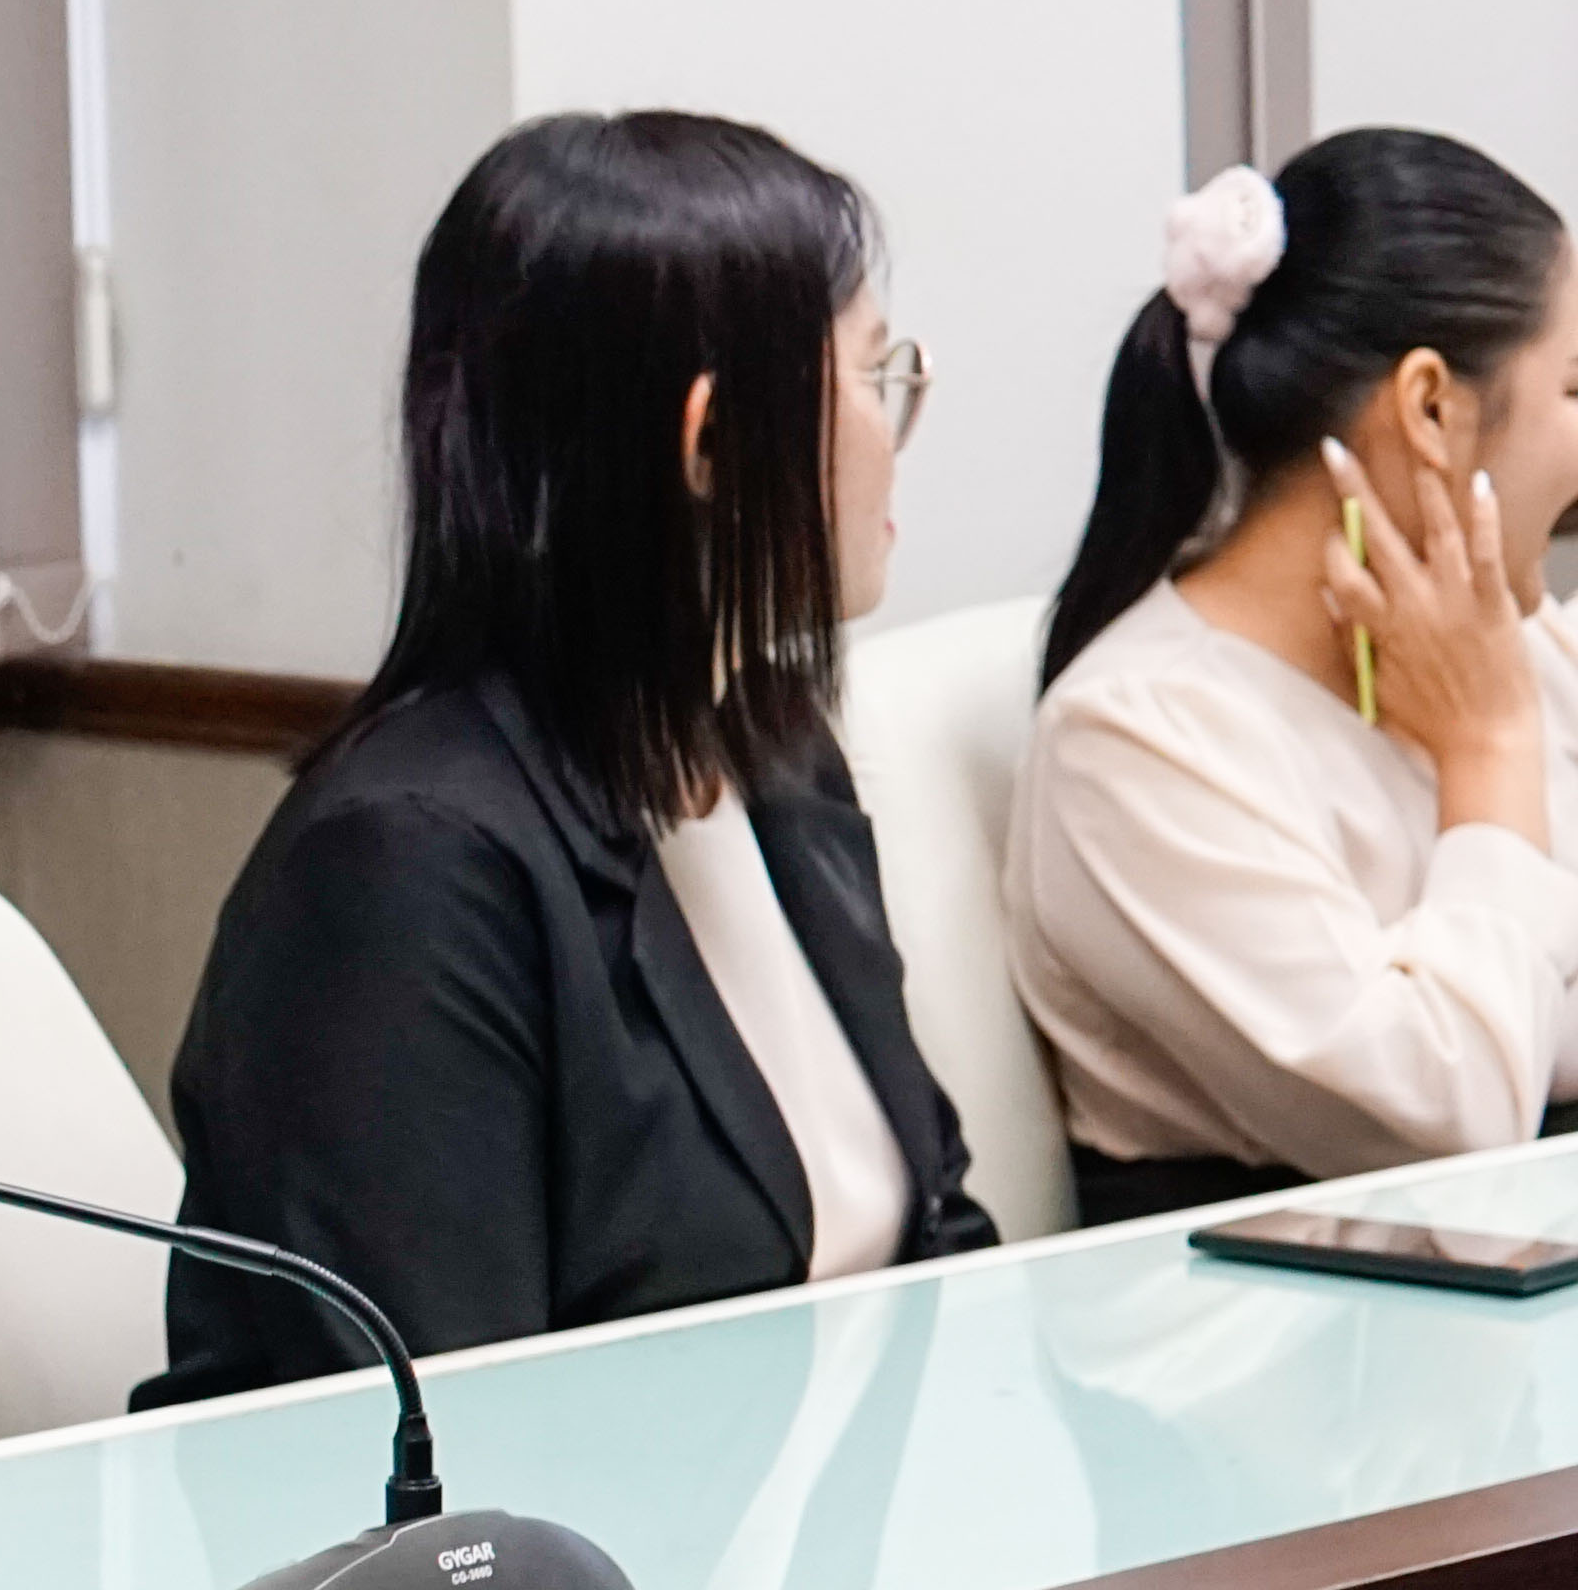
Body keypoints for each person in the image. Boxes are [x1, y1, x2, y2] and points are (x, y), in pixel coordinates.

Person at [139, 111, 987, 1404]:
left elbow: (936, 1229)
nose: (898, 422)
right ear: (713, 442)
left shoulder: (774, 752)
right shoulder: (407, 870)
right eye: (875, 374)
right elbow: (449, 1451)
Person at [1008, 129, 1578, 1216]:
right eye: (1574, 388)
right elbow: (1446, 1118)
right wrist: (1489, 754)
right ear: (1429, 408)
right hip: (1293, 1314)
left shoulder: (1505, 641)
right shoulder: (1135, 736)